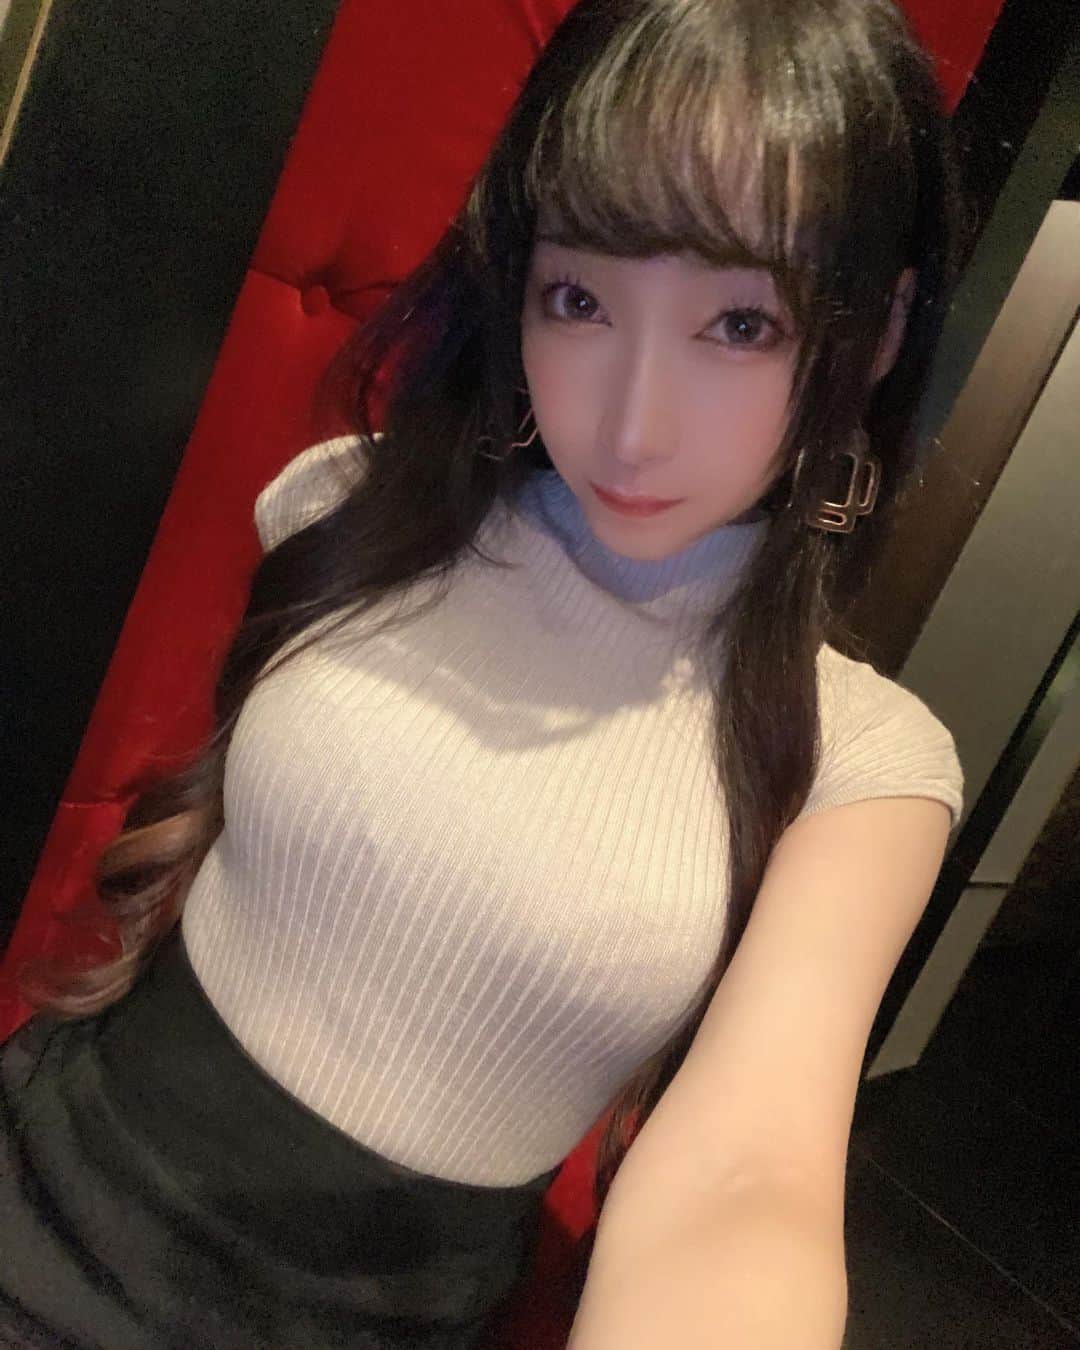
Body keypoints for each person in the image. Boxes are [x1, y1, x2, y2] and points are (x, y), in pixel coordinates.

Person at [0, 0, 968, 1346]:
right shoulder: (358, 508)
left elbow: (747, 1182)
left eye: (742, 323)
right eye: (579, 299)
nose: (630, 425)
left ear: (878, 330)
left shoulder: (860, 759)